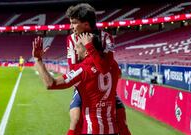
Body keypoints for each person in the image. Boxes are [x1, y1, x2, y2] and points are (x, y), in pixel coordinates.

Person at [65, 3, 131, 135]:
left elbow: (105, 68)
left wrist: (89, 47)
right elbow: (73, 68)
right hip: (85, 86)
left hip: (104, 87)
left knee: (122, 122)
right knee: (76, 121)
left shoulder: (106, 38)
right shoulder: (71, 39)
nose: (71, 27)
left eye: (74, 23)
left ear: (86, 24)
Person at [32, 34, 119, 134]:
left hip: (93, 129)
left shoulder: (82, 70)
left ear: (87, 51)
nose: (76, 50)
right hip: (113, 129)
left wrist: (38, 60)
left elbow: (51, 84)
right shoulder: (113, 65)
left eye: (77, 46)